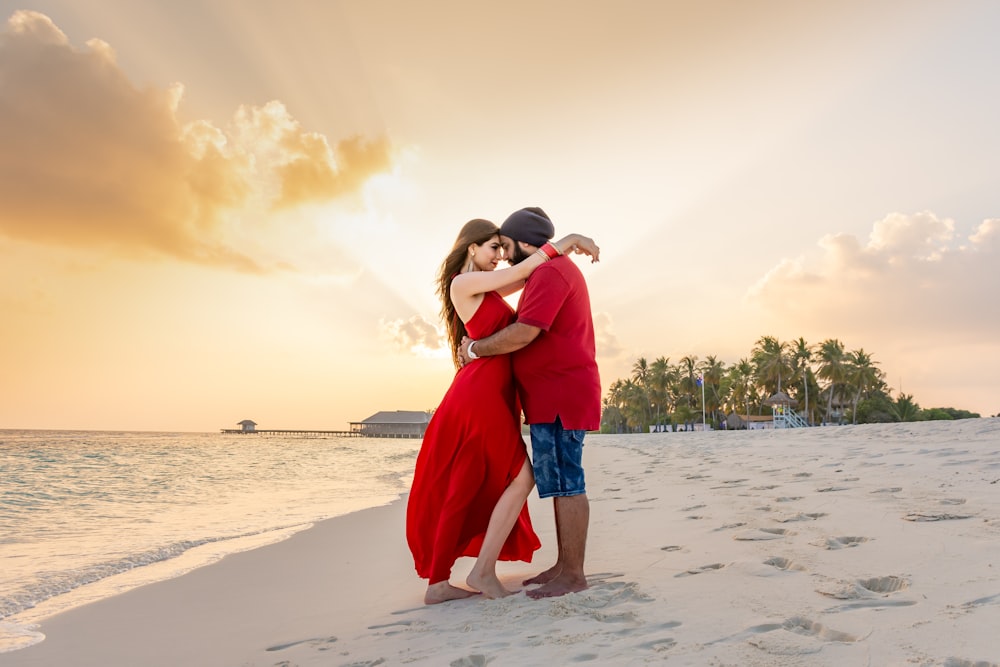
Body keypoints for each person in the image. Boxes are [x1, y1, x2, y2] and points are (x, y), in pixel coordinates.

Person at [406, 218, 599, 605]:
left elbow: (529, 274)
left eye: (503, 247)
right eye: (493, 248)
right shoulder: (463, 283)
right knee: (522, 476)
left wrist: (553, 252)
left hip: (494, 394)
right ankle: (479, 571)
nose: (499, 256)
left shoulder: (487, 284)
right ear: (471, 248)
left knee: (474, 480)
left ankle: (441, 582)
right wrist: (571, 239)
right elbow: (527, 269)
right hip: (479, 395)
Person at [458, 207, 601, 600]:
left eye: (506, 246)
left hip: (560, 395)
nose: (504, 256)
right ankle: (564, 564)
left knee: (568, 482)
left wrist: (475, 350)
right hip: (550, 396)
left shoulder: (550, 273)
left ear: (523, 242)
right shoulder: (544, 272)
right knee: (557, 482)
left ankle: (573, 573)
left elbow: (524, 333)